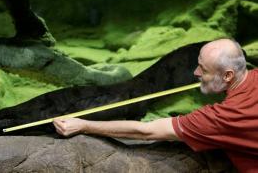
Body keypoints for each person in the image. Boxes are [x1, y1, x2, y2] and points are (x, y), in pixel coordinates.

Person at [53, 38, 258, 173]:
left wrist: (83, 125)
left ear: (228, 75)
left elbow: (146, 131)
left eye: (203, 70)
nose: (195, 73)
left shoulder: (221, 118)